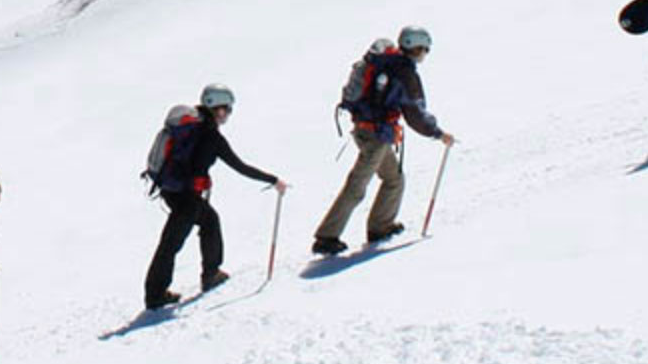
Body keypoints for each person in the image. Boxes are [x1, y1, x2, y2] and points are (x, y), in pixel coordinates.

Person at [312, 26, 456, 255]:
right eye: (424, 50)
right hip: (376, 136)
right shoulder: (404, 73)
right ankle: (326, 237)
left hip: (365, 129)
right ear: (416, 47)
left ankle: (380, 227)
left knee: (393, 179)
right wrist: (437, 133)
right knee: (357, 185)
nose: (424, 54)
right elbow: (414, 114)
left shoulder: (388, 63)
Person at [143, 84, 287, 309]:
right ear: (217, 108)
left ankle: (210, 273)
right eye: (227, 109)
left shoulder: (195, 124)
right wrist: (273, 180)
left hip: (171, 191)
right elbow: (240, 166)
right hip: (186, 197)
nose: (228, 114)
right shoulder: (209, 136)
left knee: (209, 220)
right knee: (171, 243)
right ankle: (156, 294)